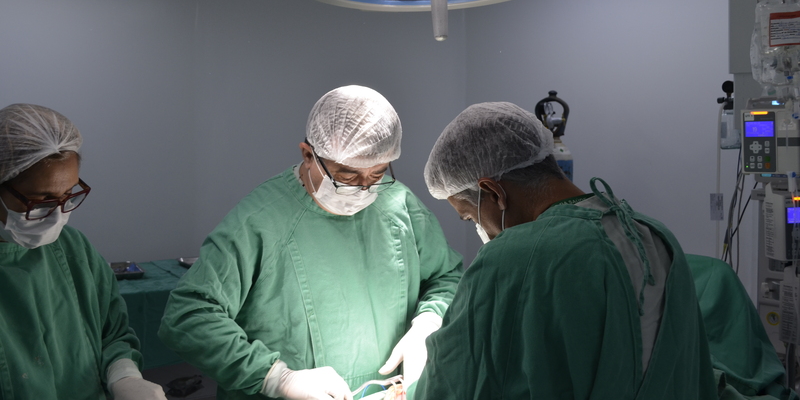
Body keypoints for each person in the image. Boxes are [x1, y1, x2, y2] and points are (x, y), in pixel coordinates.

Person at [159, 85, 463, 400]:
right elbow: (189, 314)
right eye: (347, 176)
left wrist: (429, 320)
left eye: (377, 174)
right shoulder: (260, 221)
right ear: (308, 155)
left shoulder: (398, 204)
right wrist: (276, 377)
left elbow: (446, 276)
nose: (363, 189)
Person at [414, 101, 718, 399]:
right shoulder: (652, 234)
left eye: (470, 217)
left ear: (493, 191)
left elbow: (454, 380)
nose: (480, 230)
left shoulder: (512, 257)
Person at [0, 103, 166, 400]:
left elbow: (112, 333)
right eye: (41, 201)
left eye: (68, 195)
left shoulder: (75, 249)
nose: (57, 216)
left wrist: (124, 375)